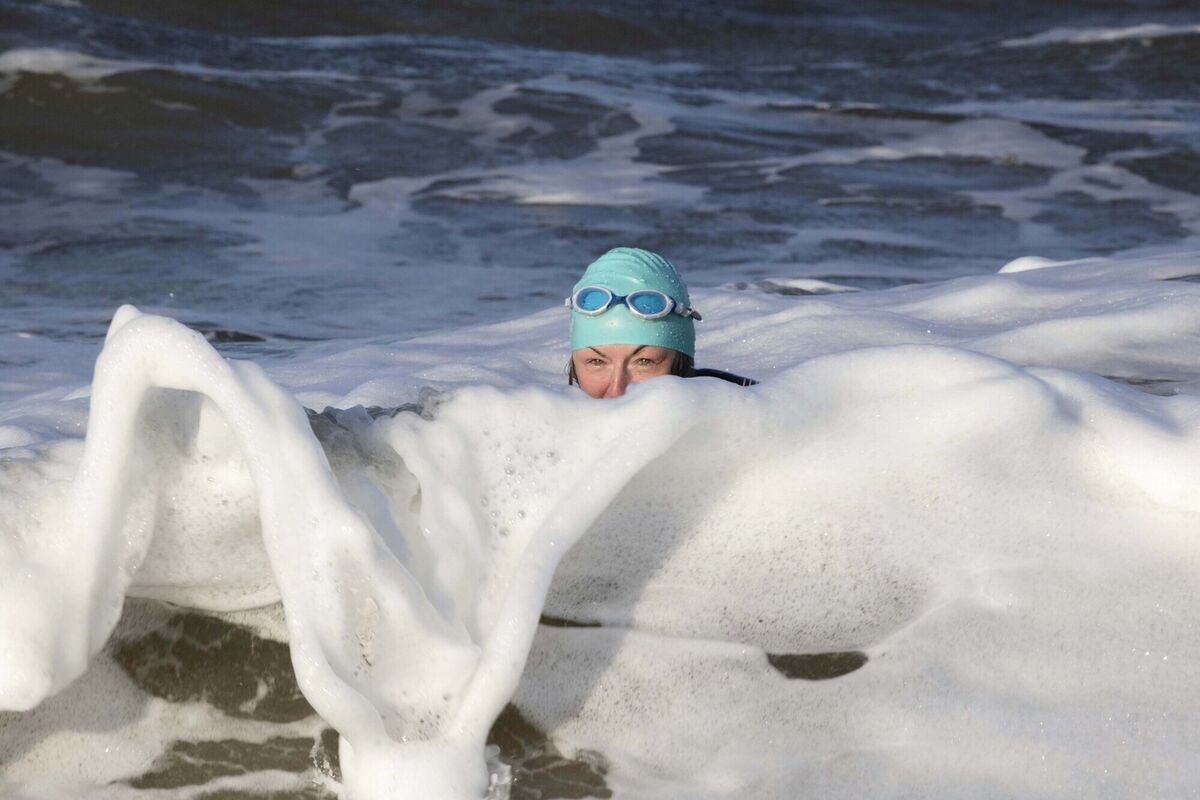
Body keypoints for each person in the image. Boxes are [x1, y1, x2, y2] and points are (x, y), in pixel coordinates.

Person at [566, 247, 756, 399]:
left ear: (680, 363)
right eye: (597, 362)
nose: (617, 390)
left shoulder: (749, 417)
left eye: (644, 362)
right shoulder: (547, 426)